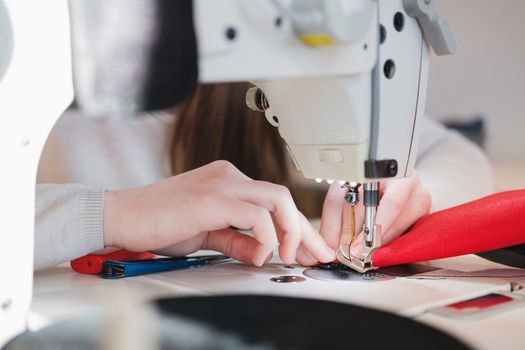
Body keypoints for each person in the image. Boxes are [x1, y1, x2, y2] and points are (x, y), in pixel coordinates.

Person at [36, 83, 493, 270]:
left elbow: (458, 155)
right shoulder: (47, 89)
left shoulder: (280, 83)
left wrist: (416, 192)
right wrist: (108, 215)